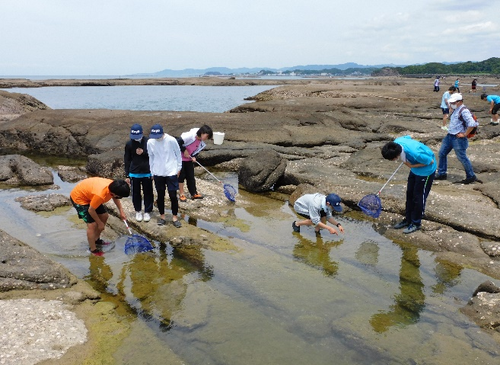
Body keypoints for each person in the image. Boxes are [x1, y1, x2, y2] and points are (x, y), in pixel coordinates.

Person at [382, 136, 437, 234]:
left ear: (395, 156)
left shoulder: (416, 154)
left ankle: (416, 223)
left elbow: (430, 161)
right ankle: (408, 220)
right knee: (410, 194)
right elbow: (409, 136)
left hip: (426, 171)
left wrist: (411, 165)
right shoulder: (396, 142)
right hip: (414, 170)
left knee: (419, 197)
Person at [70, 177, 130, 256]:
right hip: (79, 199)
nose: (120, 198)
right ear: (114, 193)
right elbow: (91, 210)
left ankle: (96, 240)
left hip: (91, 196)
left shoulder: (114, 186)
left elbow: (115, 198)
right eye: (120, 196)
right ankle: (93, 249)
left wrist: (121, 212)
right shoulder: (100, 194)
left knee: (104, 216)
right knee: (92, 225)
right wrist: (99, 223)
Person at [435, 93, 480, 184]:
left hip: (458, 139)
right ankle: (441, 173)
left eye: (453, 102)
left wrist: (465, 134)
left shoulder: (464, 111)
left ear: (459, 102)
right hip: (450, 136)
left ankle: (471, 176)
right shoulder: (456, 109)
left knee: (462, 157)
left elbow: (472, 123)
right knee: (442, 153)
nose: (452, 104)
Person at [147, 124, 183, 227]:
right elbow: (151, 157)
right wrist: (152, 172)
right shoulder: (150, 142)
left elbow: (178, 153)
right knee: (160, 195)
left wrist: (178, 168)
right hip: (158, 172)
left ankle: (175, 217)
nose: (156, 138)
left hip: (171, 171)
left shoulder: (171, 140)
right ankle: (162, 216)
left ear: (162, 133)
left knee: (173, 195)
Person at [124, 123, 153, 222]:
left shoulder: (148, 142)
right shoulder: (129, 144)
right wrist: (127, 174)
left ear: (142, 133)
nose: (136, 138)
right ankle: (138, 211)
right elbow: (127, 159)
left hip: (147, 171)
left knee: (148, 192)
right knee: (135, 193)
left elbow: (154, 156)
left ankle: (147, 211)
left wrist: (144, 153)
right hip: (134, 172)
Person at [177, 125, 213, 202]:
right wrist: (184, 150)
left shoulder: (201, 143)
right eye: (207, 136)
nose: (207, 139)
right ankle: (181, 193)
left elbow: (196, 151)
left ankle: (193, 193)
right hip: (180, 159)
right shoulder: (190, 136)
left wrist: (194, 157)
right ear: (202, 133)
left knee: (191, 176)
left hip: (189, 159)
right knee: (181, 176)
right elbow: (177, 143)